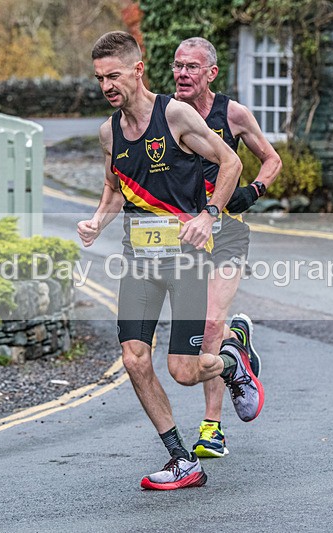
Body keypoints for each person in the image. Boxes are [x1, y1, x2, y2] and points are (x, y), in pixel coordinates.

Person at [77, 31, 264, 490]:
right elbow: (114, 184)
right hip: (139, 259)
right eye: (100, 78)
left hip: (185, 261)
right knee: (134, 358)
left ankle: (232, 362)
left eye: (114, 75)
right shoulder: (109, 132)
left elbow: (230, 163)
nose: (106, 86)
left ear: (138, 70)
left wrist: (210, 214)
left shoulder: (175, 114)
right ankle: (181, 459)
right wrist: (98, 221)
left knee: (183, 371)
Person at [172, 37, 282, 459]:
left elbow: (272, 159)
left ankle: (212, 428)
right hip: (182, 237)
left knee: (212, 324)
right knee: (200, 335)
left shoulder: (232, 114)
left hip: (228, 233)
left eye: (192, 67)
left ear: (211, 73)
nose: (182, 74)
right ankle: (240, 343)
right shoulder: (166, 113)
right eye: (178, 66)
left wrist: (253, 190)